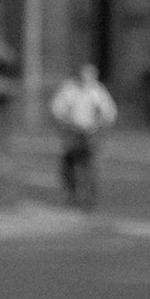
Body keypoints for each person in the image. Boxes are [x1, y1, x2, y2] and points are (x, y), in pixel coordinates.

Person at [49, 61, 117, 207]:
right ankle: (70, 190)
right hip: (73, 130)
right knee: (69, 160)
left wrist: (99, 124)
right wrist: (66, 122)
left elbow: (109, 112)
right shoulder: (69, 89)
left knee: (91, 163)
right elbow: (57, 109)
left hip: (90, 131)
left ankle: (90, 194)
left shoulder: (97, 91)